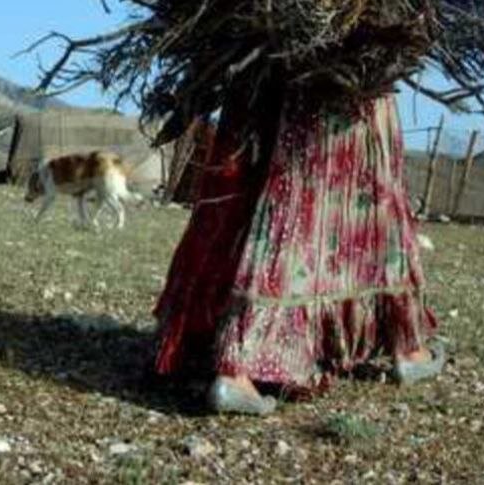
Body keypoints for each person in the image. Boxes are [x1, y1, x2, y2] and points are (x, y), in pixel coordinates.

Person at [153, 89, 444, 415]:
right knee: (350, 188)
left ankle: (212, 345)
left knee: (260, 180)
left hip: (262, 77)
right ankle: (238, 368)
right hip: (336, 84)